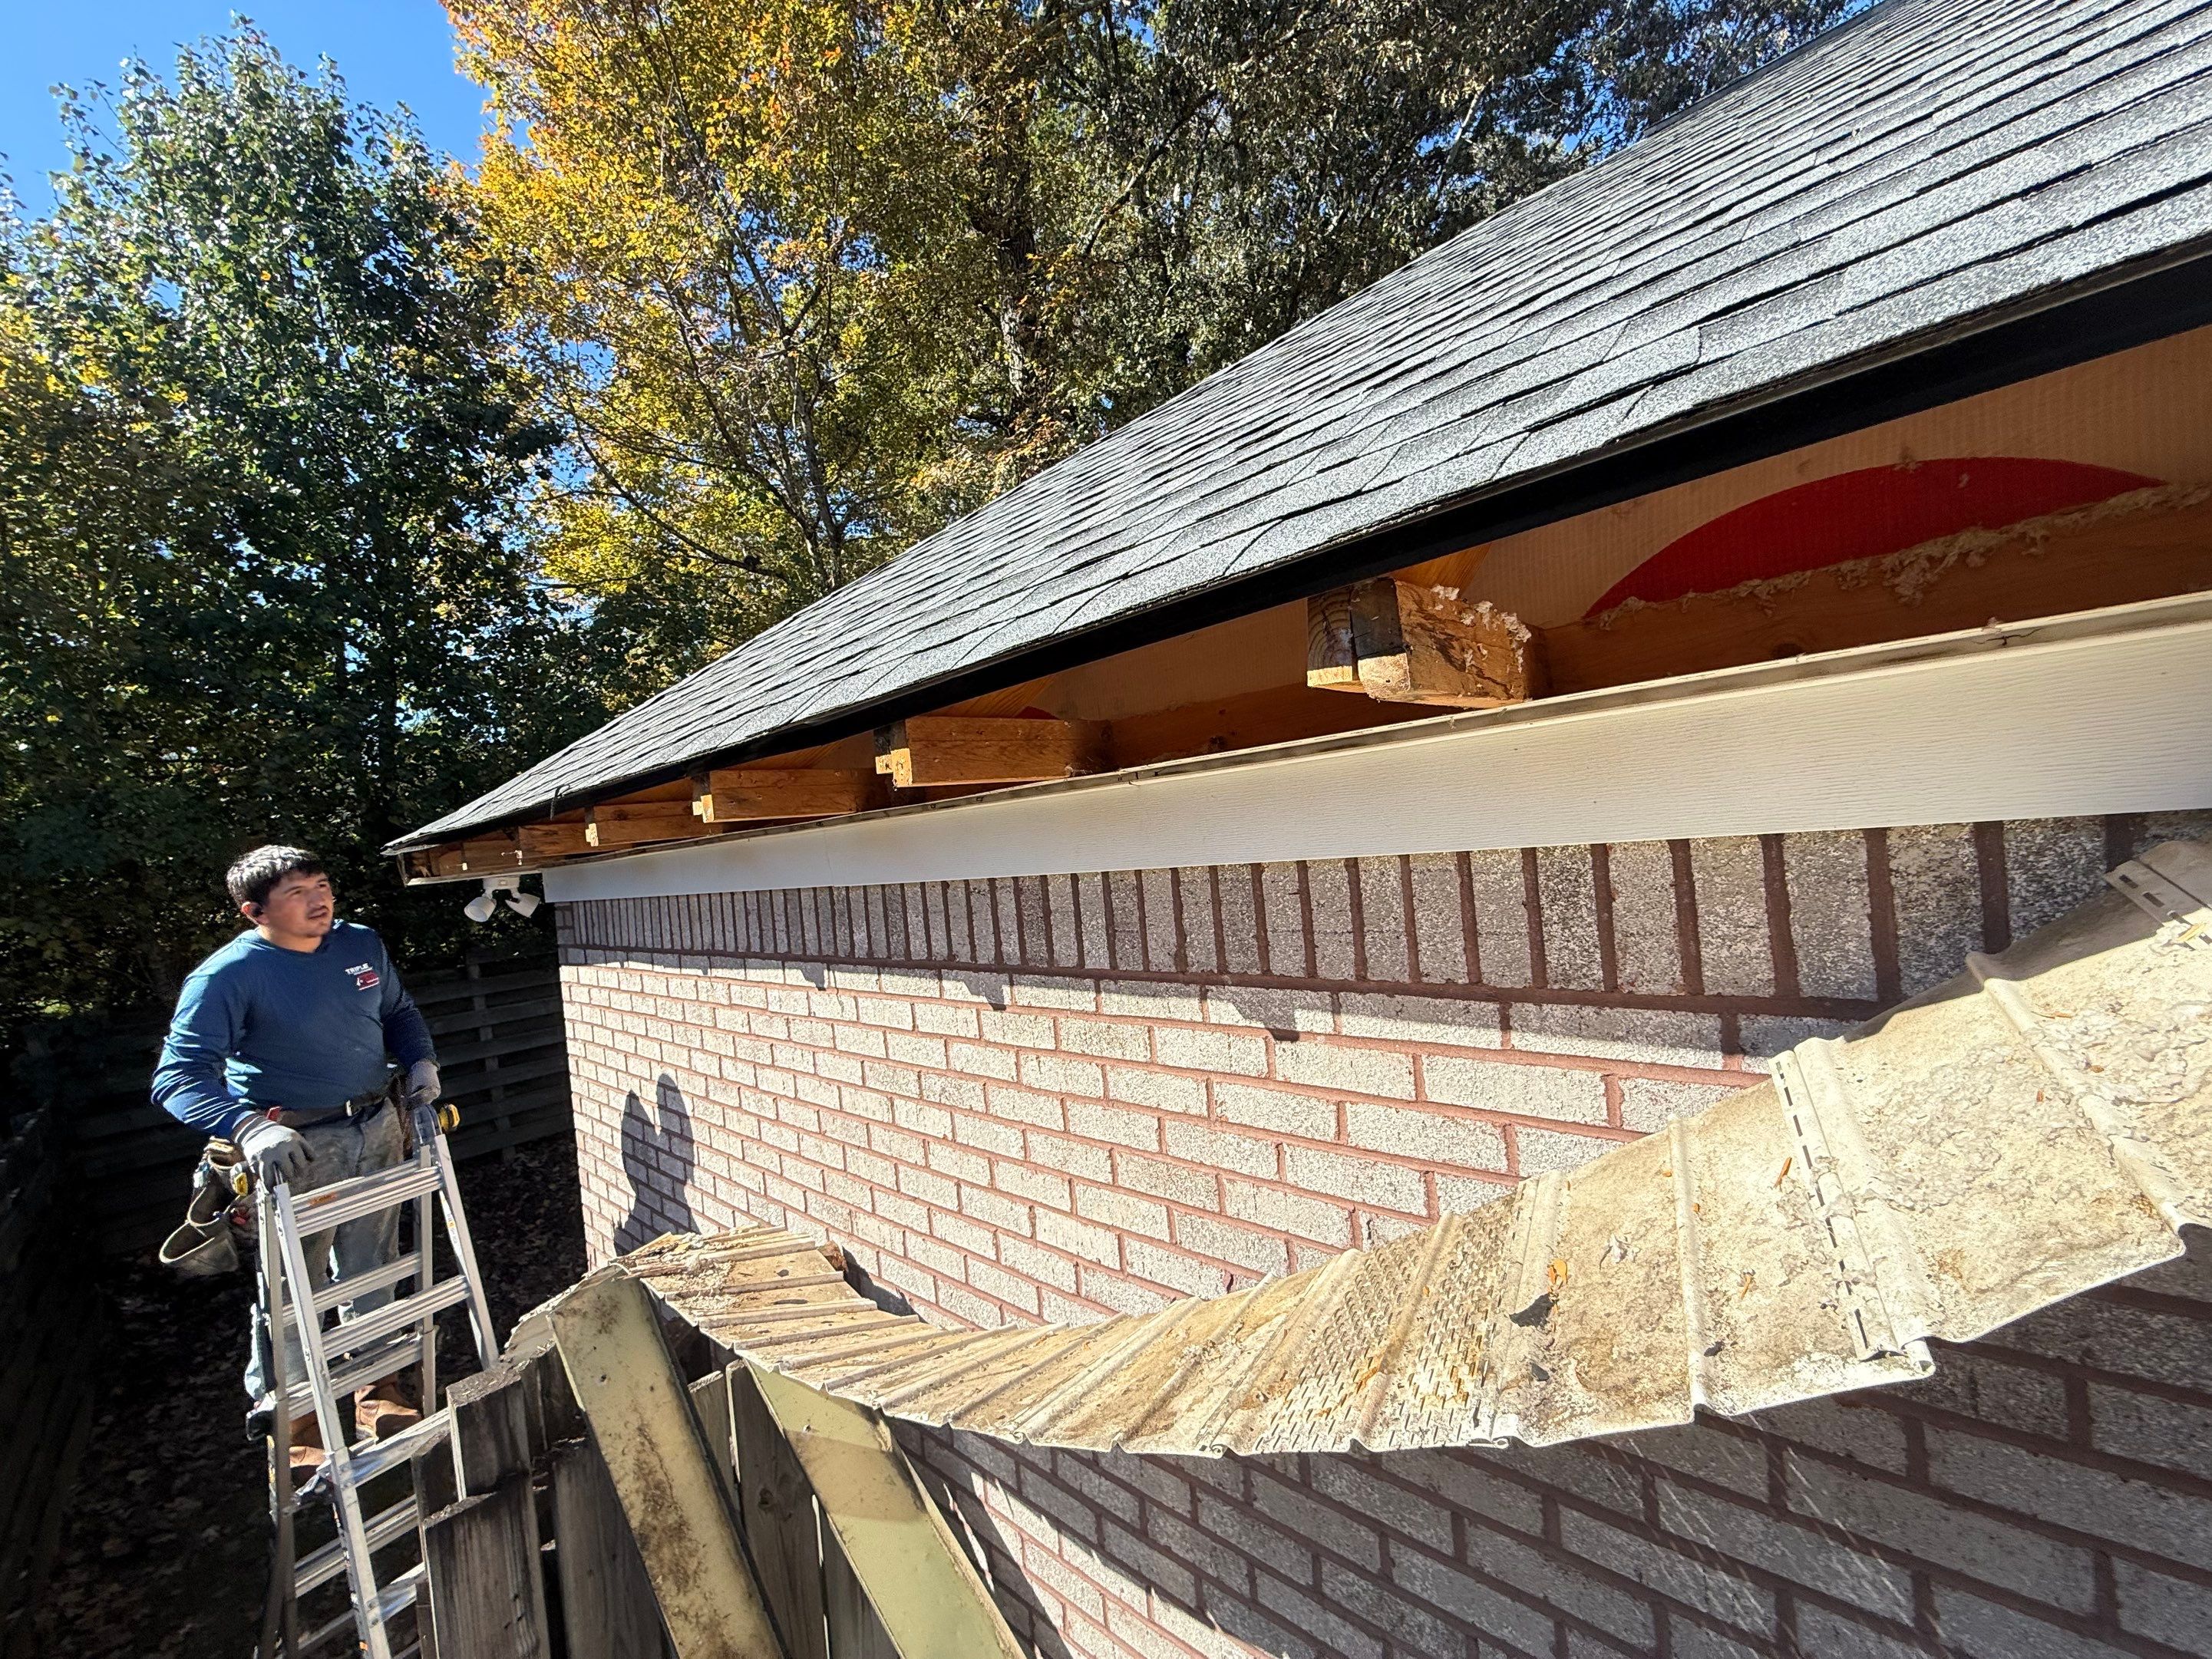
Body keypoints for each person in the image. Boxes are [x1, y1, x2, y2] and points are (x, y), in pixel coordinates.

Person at [153, 845, 441, 1475]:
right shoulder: (229, 976)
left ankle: (379, 1389)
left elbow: (398, 1012)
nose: (319, 900)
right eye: (297, 892)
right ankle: (296, 1418)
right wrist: (246, 1127)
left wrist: (419, 1060)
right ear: (255, 911)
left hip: (376, 1123)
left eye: (323, 883)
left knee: (374, 1260)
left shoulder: (359, 945)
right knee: (292, 1285)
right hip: (297, 1145)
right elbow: (177, 1078)